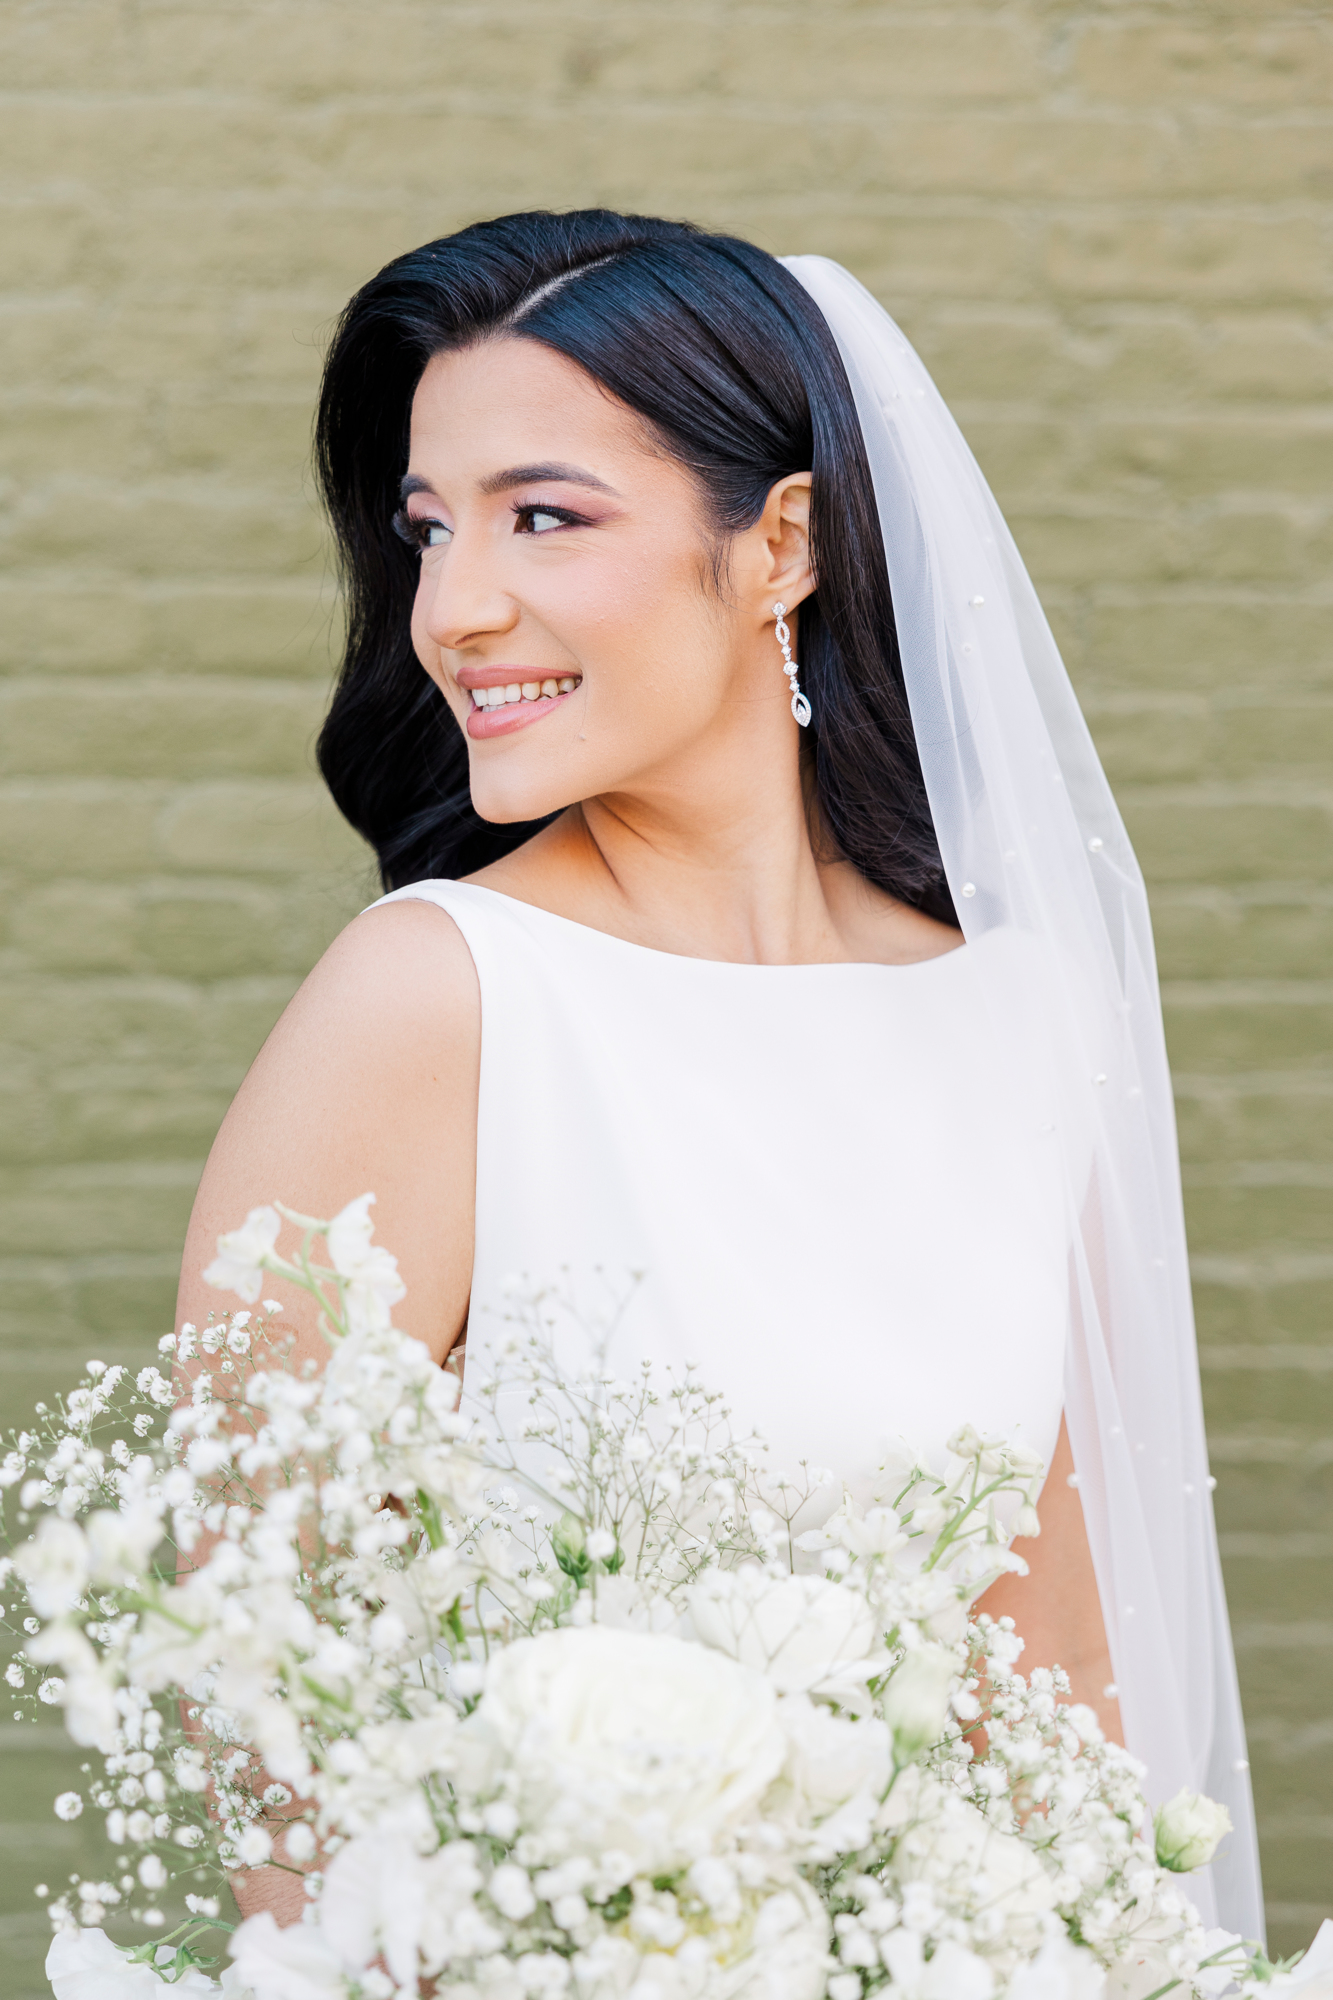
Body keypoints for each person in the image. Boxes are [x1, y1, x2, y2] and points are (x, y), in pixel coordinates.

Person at [174, 210, 1262, 1936]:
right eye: (428, 529)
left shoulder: (1022, 1020)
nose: (454, 610)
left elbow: (1057, 1670)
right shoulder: (436, 999)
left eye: (543, 517)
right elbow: (261, 1675)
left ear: (780, 546)